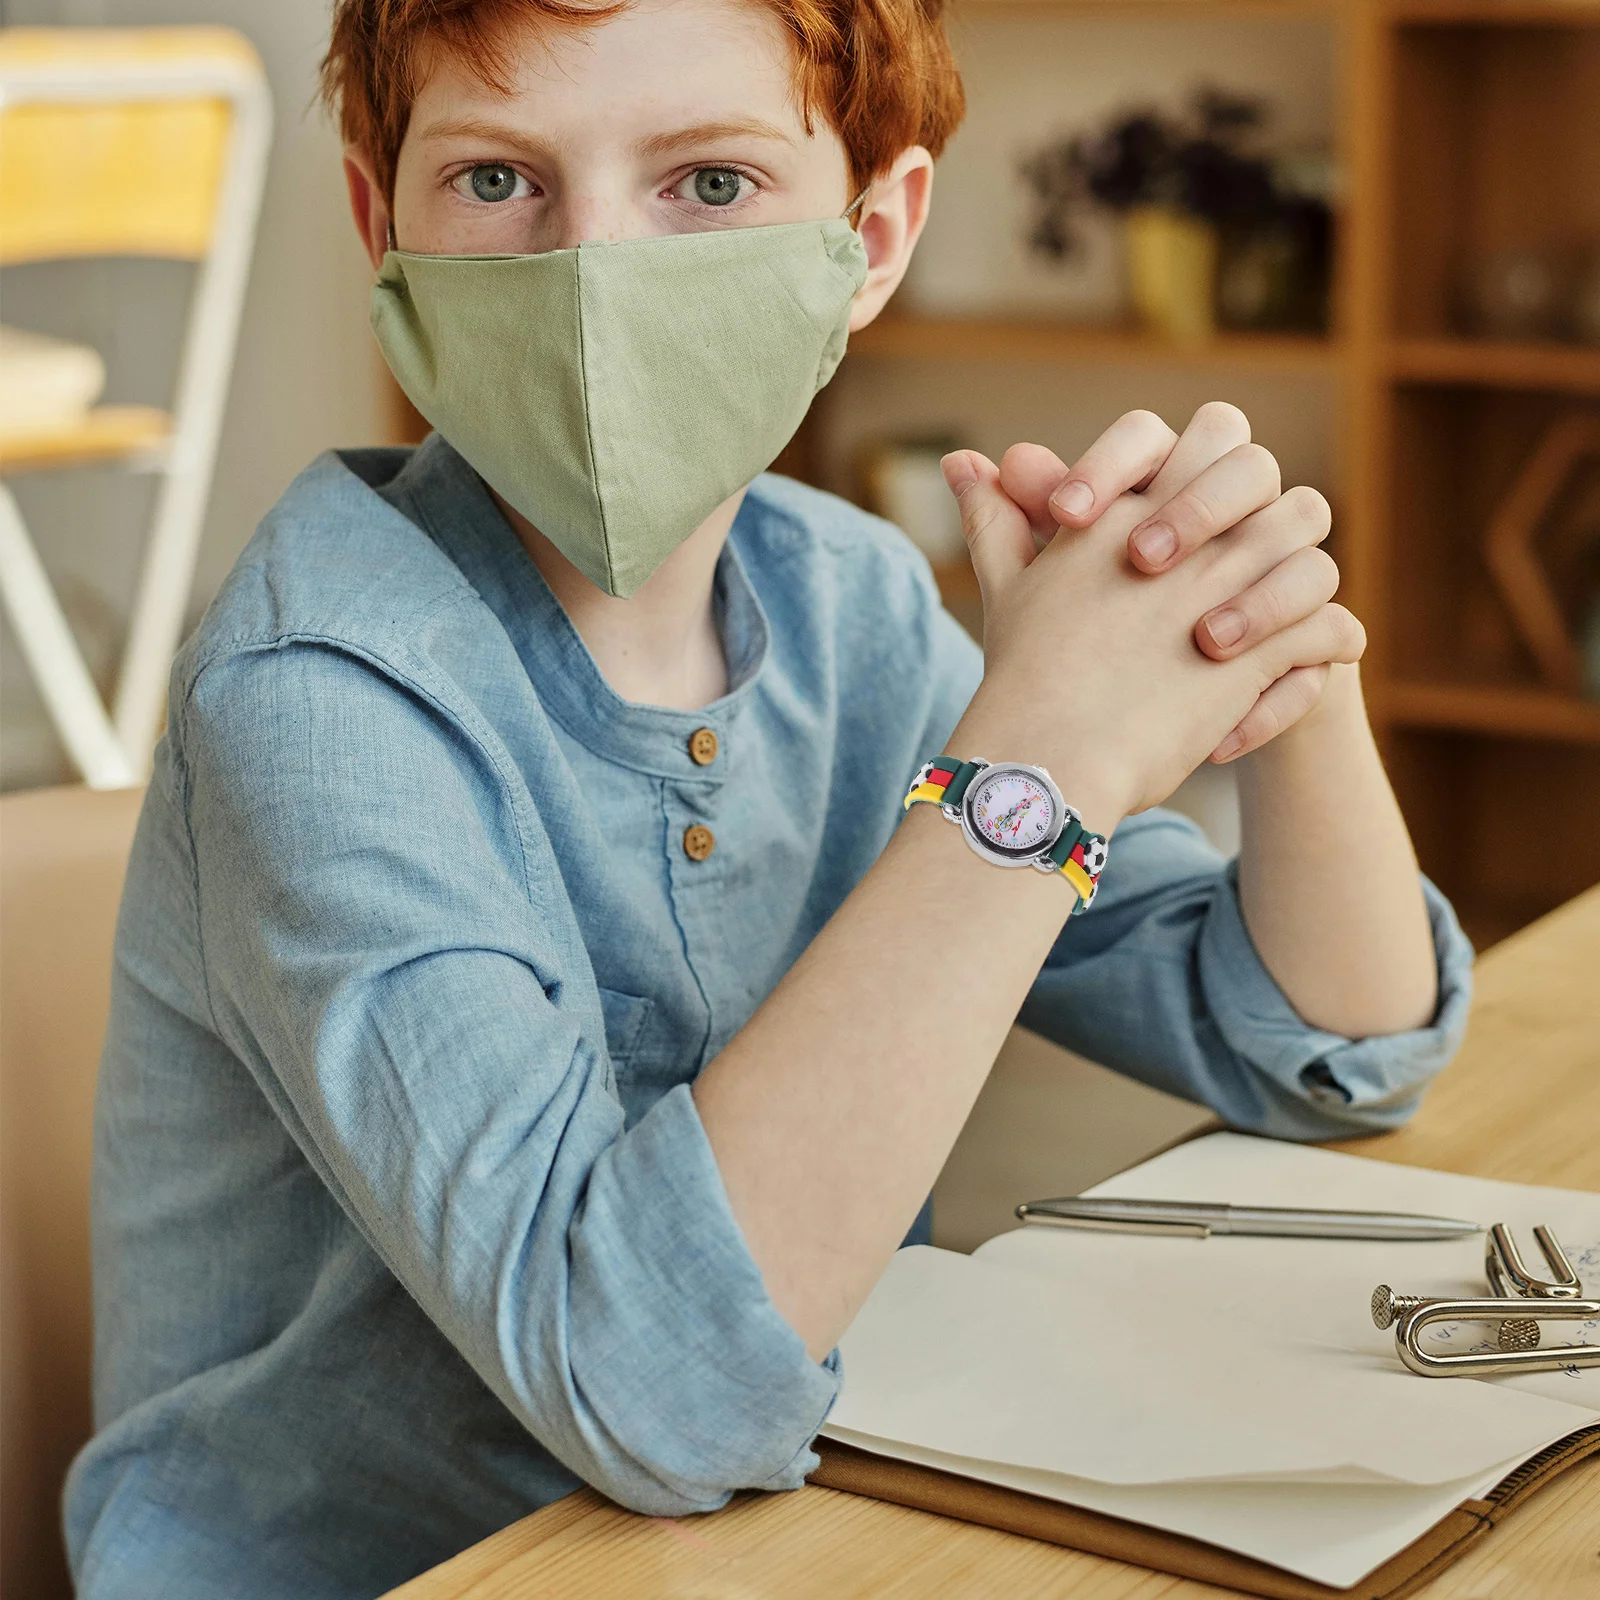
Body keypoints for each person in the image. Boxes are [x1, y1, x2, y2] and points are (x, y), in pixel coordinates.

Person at [65, 1, 1471, 1595]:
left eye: (709, 186)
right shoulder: (319, 686)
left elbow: (1330, 1044)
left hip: (795, 1543)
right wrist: (1040, 766)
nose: (592, 266)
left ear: (873, 237)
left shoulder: (851, 602)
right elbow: (648, 1385)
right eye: (499, 182)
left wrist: (1266, 636)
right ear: (385, 228)